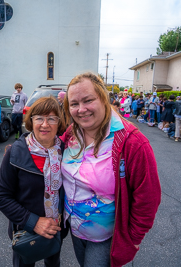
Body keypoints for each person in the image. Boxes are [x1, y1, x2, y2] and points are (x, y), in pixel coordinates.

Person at [61, 72, 161, 267]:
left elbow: (148, 197)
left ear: (104, 98)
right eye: (74, 104)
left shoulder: (132, 143)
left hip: (107, 236)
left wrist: (132, 239)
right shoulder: (71, 134)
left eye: (88, 100)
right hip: (75, 229)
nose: (81, 109)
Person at [0, 96, 67, 267]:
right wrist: (33, 222)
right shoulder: (15, 152)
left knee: (53, 264)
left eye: (51, 118)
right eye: (39, 118)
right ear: (31, 121)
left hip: (55, 230)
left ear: (59, 122)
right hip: (25, 230)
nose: (45, 124)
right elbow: (1, 196)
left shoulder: (67, 152)